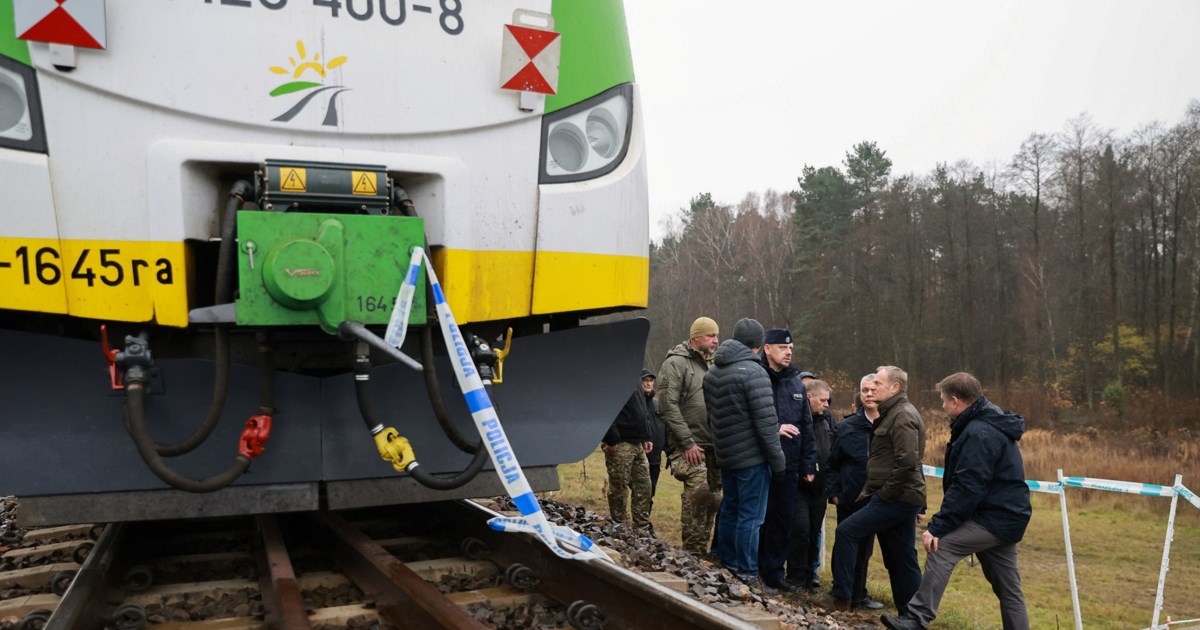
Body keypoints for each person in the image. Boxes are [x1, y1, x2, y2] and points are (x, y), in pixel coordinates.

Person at [882, 373, 1032, 630]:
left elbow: (968, 486)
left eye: (943, 401)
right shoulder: (987, 420)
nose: (942, 406)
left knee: (942, 546)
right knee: (1009, 589)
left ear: (955, 401)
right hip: (1006, 515)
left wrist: (938, 526)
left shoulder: (978, 433)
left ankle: (916, 620)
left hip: (995, 517)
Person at [827, 365, 926, 613]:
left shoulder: (902, 415)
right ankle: (911, 614)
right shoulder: (891, 412)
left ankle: (841, 600)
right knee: (900, 557)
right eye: (869, 387)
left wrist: (883, 494)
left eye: (879, 384)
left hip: (895, 497)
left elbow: (907, 462)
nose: (873, 389)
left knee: (847, 531)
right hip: (897, 496)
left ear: (894, 388)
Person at [703, 318, 785, 589]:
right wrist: (778, 462)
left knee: (730, 509)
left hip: (726, 455)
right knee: (751, 516)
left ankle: (727, 563)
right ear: (759, 345)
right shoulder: (754, 372)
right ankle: (747, 572)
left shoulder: (712, 373)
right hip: (752, 458)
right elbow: (766, 423)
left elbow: (711, 417)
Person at [757, 328, 817, 592]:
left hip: (789, 464)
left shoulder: (795, 381)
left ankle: (773, 573)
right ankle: (751, 568)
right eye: (783, 347)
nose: (789, 352)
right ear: (767, 348)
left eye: (791, 348)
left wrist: (808, 463)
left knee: (782, 521)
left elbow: (806, 424)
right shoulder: (757, 376)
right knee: (759, 518)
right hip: (759, 461)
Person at [658, 316, 722, 554]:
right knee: (698, 492)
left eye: (716, 335)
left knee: (714, 499)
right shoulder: (675, 363)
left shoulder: (714, 365)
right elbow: (667, 405)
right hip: (688, 445)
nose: (716, 340)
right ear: (696, 337)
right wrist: (687, 442)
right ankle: (693, 552)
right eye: (711, 336)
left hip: (713, 445)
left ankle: (702, 551)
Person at [826, 375, 886, 611]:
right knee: (846, 547)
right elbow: (833, 463)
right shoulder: (846, 426)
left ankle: (859, 595)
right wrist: (835, 492)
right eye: (865, 390)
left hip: (879, 499)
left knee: (866, 550)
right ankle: (841, 593)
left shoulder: (891, 424)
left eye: (873, 390)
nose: (869, 394)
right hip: (850, 497)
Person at [788, 379, 835, 589]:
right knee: (801, 531)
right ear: (809, 397)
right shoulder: (796, 419)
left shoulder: (826, 421)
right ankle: (795, 576)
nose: (826, 404)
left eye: (828, 400)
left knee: (814, 532)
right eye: (822, 400)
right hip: (799, 488)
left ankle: (809, 575)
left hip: (820, 489)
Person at [601, 375, 654, 533]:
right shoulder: (612, 377)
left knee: (644, 486)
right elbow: (605, 408)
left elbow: (641, 410)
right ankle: (620, 528)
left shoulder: (633, 377)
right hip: (620, 443)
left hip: (637, 443)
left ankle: (641, 529)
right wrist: (611, 439)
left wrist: (647, 435)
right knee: (619, 486)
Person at [641, 368, 667, 514]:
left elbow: (665, 428)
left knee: (650, 491)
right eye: (644, 380)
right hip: (637, 454)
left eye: (650, 381)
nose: (648, 383)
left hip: (655, 458)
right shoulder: (633, 402)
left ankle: (645, 520)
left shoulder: (657, 405)